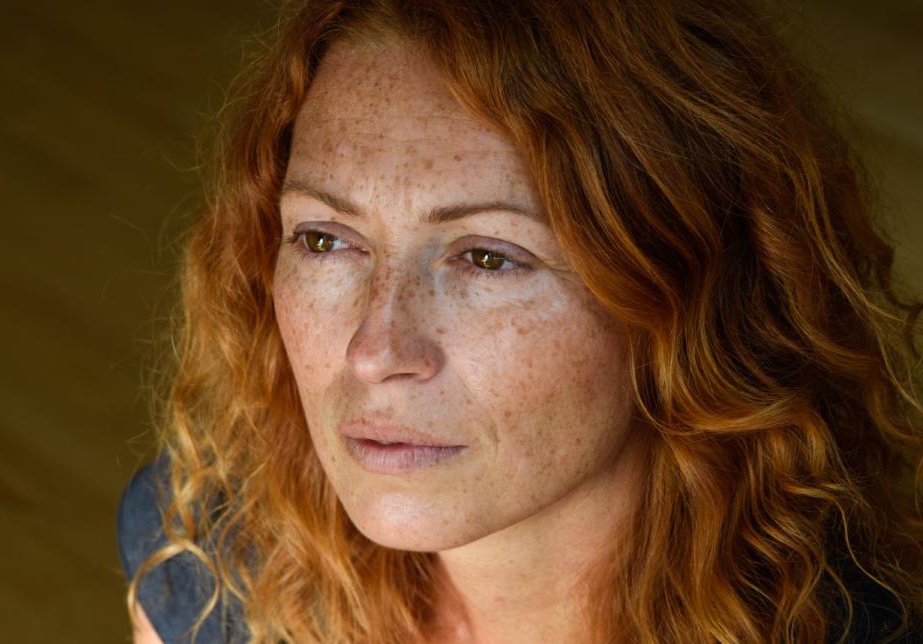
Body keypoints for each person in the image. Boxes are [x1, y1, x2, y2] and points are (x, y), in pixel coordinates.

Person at [116, 0, 923, 642]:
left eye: (488, 258)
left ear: (690, 296)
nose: (375, 350)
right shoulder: (212, 555)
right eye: (326, 239)